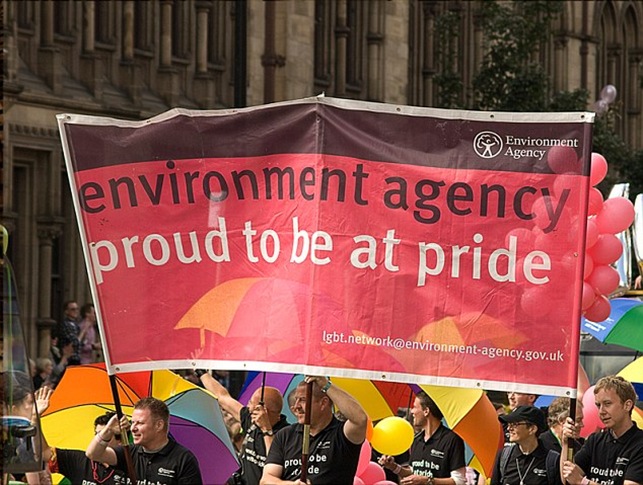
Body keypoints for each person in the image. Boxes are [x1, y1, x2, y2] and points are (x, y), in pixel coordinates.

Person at [261, 375, 368, 484]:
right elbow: (266, 480)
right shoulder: (285, 435)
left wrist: (326, 385)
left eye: (303, 400)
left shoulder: (342, 434)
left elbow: (361, 419)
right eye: (296, 399)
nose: (296, 406)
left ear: (323, 403)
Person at [196, 370, 290, 485]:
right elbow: (222, 397)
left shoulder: (287, 434)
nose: (248, 406)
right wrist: (201, 373)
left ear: (263, 410)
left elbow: (275, 462)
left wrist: (266, 429)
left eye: (251, 403)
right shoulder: (251, 420)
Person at [86, 397, 203, 484]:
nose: (132, 428)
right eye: (132, 422)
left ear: (159, 425)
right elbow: (93, 454)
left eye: (140, 423)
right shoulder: (129, 452)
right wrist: (108, 429)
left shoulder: (183, 458)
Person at [561, 375, 643, 485]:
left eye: (607, 404)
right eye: (598, 405)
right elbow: (567, 479)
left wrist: (582, 482)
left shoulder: (639, 444)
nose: (601, 411)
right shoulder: (595, 440)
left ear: (627, 405)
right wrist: (566, 443)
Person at [379, 391, 466, 485]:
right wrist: (393, 467)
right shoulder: (416, 440)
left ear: (426, 411)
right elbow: (414, 472)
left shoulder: (452, 439)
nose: (412, 411)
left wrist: (428, 481)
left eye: (415, 407)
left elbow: (459, 481)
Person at [491, 405, 562, 485]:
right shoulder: (504, 456)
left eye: (515, 424)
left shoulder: (552, 460)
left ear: (532, 429)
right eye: (509, 424)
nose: (509, 428)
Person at [54, 301, 81, 366]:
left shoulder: (76, 324)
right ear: (66, 311)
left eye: (77, 309)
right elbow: (75, 342)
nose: (76, 311)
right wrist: (84, 330)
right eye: (73, 309)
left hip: (78, 357)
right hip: (69, 359)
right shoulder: (65, 324)